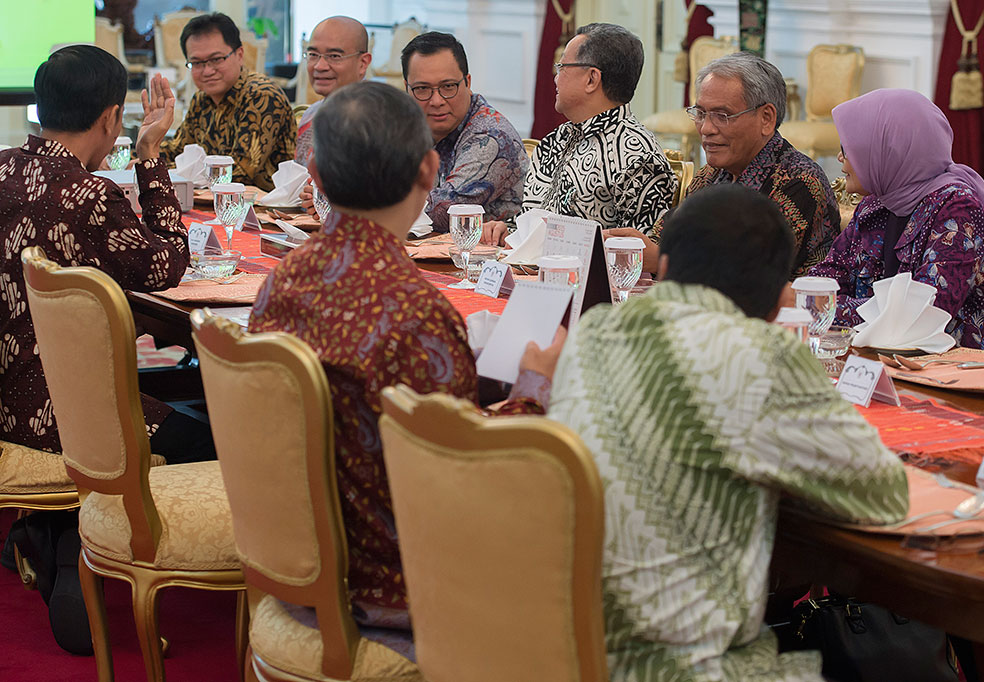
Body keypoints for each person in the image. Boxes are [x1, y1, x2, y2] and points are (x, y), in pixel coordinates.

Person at [547, 183, 909, 682]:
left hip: (565, 657)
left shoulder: (593, 332)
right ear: (779, 302)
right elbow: (884, 494)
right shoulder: (760, 353)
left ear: (664, 267)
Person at [248, 81, 563, 630]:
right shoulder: (417, 313)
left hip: (301, 551)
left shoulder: (284, 280)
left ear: (315, 174)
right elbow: (469, 473)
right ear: (429, 171)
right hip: (399, 579)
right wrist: (533, 386)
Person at [0, 45, 216, 655]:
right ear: (110, 118)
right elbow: (167, 263)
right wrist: (150, 156)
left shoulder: (2, 168)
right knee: (208, 435)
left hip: (7, 396)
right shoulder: (90, 195)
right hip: (71, 416)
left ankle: (45, 531)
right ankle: (84, 545)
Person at [808, 88, 984, 359]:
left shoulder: (960, 209)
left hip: (972, 374)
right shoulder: (876, 203)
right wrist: (809, 299)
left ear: (887, 149)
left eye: (846, 148)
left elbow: (919, 314)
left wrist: (819, 308)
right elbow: (826, 278)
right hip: (886, 362)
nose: (841, 157)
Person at [482, 23, 675, 246]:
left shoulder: (637, 156)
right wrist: (507, 231)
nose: (555, 78)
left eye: (562, 67)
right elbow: (534, 225)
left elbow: (638, 254)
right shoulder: (555, 140)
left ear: (591, 79)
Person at [660, 52, 840, 279]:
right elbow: (664, 234)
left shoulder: (799, 182)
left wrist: (661, 257)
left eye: (722, 115)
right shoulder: (711, 175)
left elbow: (744, 273)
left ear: (766, 118)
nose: (706, 128)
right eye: (701, 113)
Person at [400, 31, 527, 230]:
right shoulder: (407, 124)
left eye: (448, 86)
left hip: (485, 248)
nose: (436, 101)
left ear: (468, 83)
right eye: (422, 88)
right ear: (407, 88)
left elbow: (442, 212)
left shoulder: (491, 137)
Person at [160, 12, 296, 191]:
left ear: (239, 55)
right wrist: (145, 153)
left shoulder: (261, 95)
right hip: (212, 200)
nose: (207, 71)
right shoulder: (201, 98)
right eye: (197, 63)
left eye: (217, 59)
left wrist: (161, 170)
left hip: (262, 204)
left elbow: (238, 173)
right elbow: (177, 150)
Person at [294, 16, 372, 167]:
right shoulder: (311, 114)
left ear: (363, 63)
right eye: (313, 55)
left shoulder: (375, 122)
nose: (319, 66)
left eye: (334, 56)